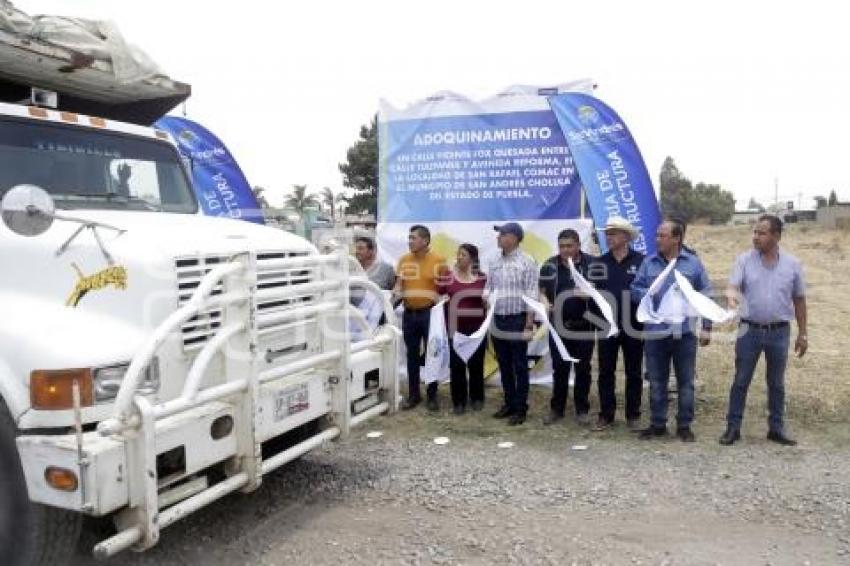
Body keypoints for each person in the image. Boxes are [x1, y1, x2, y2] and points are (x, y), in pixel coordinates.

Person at [720, 215, 807, 446]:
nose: (755, 237)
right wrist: (731, 298)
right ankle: (733, 427)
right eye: (755, 232)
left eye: (762, 233)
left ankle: (776, 429)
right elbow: (732, 286)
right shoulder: (744, 261)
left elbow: (799, 299)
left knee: (776, 383)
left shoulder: (793, 265)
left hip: (780, 333)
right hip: (749, 331)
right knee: (741, 380)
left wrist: (803, 333)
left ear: (776, 236)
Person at [630, 219, 712, 442]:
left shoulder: (693, 264)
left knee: (686, 382)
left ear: (677, 238)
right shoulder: (649, 263)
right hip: (655, 333)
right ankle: (658, 424)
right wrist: (650, 293)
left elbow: (705, 293)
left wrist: (706, 326)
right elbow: (635, 289)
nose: (657, 239)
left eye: (662, 235)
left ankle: (684, 425)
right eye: (657, 235)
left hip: (684, 334)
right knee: (657, 381)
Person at [591, 217, 645, 431]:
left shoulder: (642, 262)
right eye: (607, 233)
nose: (608, 236)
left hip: (634, 326)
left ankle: (633, 415)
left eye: (613, 233)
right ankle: (606, 415)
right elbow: (593, 296)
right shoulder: (599, 263)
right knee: (605, 371)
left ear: (626, 236)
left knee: (634, 372)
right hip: (606, 327)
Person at [538, 229, 597, 426]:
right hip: (559, 328)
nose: (565, 250)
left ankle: (582, 410)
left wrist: (590, 294)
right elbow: (542, 291)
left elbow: (602, 291)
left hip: (585, 327)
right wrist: (545, 302)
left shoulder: (592, 264)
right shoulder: (549, 265)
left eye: (569, 246)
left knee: (583, 370)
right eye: (562, 246)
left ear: (578, 245)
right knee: (560, 369)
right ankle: (557, 409)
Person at [485, 222, 538, 426]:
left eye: (502, 234)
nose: (498, 238)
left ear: (514, 237)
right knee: (504, 364)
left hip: (518, 320)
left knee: (519, 366)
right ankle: (508, 403)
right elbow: (489, 287)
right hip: (498, 318)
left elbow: (532, 294)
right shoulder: (494, 260)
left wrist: (528, 325)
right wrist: (485, 296)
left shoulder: (527, 261)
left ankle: (520, 407)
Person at [392, 225, 449, 411]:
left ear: (425, 240)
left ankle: (432, 395)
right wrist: (396, 292)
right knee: (412, 356)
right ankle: (414, 395)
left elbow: (446, 288)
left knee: (432, 355)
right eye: (409, 238)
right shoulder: (403, 260)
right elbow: (399, 285)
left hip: (430, 314)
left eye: (413, 238)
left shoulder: (439, 261)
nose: (409, 241)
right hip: (409, 314)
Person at [440, 244, 487, 415]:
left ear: (472, 259)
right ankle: (458, 401)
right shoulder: (447, 276)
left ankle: (477, 398)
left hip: (477, 330)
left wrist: (486, 301)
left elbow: (488, 301)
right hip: (454, 330)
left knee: (476, 365)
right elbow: (438, 295)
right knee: (457, 366)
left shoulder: (483, 278)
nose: (459, 257)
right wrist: (442, 299)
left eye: (463, 255)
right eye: (458, 254)